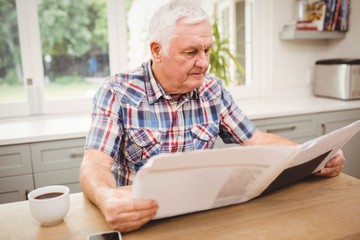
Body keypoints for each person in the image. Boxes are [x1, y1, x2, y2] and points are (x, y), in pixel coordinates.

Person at [80, 0, 345, 233]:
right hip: (142, 218)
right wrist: (107, 198)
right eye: (191, 52)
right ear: (157, 51)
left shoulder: (212, 89)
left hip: (203, 215)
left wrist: (314, 157)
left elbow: (254, 140)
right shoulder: (117, 90)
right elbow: (96, 163)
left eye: (207, 50)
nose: (204, 62)